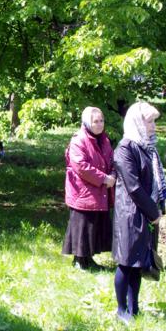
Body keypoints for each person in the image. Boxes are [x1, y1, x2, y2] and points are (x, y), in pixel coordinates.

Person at [112, 102, 166, 324]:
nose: (154, 126)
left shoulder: (147, 147)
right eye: (150, 121)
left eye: (154, 121)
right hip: (130, 214)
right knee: (126, 263)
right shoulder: (125, 148)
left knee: (139, 264)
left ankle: (134, 307)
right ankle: (120, 310)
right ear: (137, 122)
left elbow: (154, 181)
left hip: (145, 212)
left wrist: (157, 208)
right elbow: (133, 187)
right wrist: (154, 212)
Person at [62, 107, 115, 270]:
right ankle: (79, 260)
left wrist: (112, 174)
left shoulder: (104, 140)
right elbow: (81, 166)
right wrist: (104, 178)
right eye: (95, 122)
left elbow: (112, 160)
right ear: (87, 122)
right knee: (83, 225)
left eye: (101, 121)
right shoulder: (79, 140)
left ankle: (88, 258)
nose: (99, 125)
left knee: (93, 226)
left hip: (99, 190)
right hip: (83, 191)